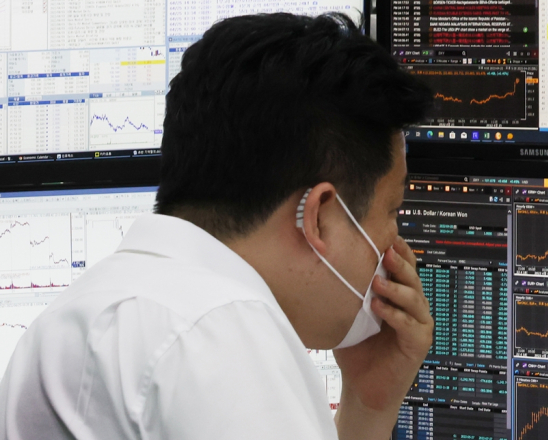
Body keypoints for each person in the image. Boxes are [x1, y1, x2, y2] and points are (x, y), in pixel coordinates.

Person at [0, 12, 435, 440]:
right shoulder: (222, 336)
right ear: (319, 215)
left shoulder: (86, 310)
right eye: (392, 210)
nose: (395, 243)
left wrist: (367, 407)